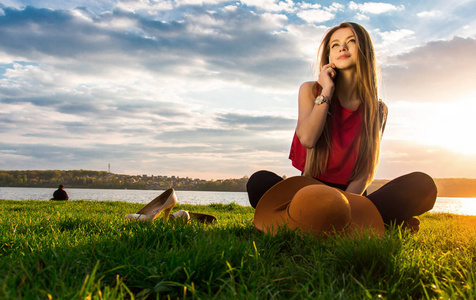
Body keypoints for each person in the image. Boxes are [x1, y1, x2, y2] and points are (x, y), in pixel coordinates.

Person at [247, 22, 437, 235]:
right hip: (309, 191)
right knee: (259, 181)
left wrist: (345, 206)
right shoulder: (310, 90)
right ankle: (377, 223)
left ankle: (334, 221)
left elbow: (364, 172)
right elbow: (308, 138)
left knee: (423, 185)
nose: (342, 48)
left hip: (352, 196)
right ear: (328, 56)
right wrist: (327, 90)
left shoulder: (378, 110)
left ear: (365, 51)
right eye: (335, 45)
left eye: (351, 41)